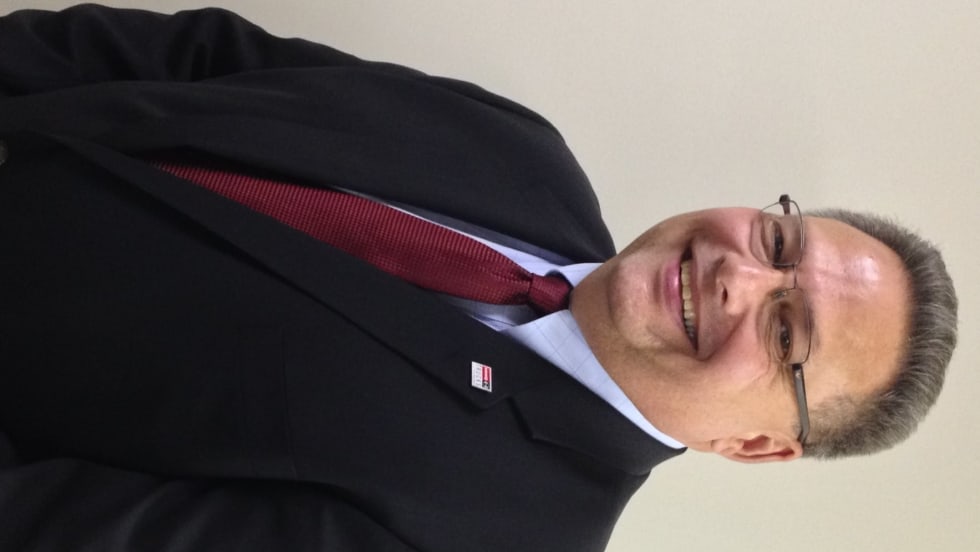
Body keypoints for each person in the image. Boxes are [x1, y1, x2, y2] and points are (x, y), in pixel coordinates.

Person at [0, 5, 957, 552]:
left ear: (754, 445)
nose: (738, 273)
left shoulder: (503, 539)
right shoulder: (524, 148)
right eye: (780, 243)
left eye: (787, 331)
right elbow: (207, 58)